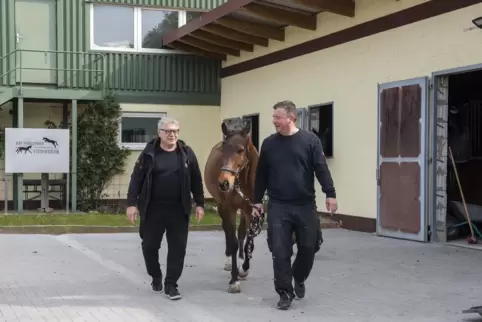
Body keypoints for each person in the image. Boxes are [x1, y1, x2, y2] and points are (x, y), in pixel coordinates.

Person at [252, 100, 338, 310]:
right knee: (280, 250)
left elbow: (321, 168)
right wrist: (256, 201)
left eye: (277, 117)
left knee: (310, 246)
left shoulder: (310, 141)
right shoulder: (269, 144)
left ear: (290, 117)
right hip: (278, 205)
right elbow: (261, 174)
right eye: (273, 117)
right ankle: (284, 292)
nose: (274, 121)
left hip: (305, 204)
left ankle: (298, 277)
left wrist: (330, 193)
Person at [126, 116, 205, 300]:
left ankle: (171, 284)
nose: (172, 134)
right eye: (168, 131)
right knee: (149, 246)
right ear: (159, 132)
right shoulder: (148, 153)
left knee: (178, 249)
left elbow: (196, 179)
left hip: (179, 209)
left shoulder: (186, 153)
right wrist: (131, 204)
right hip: (153, 209)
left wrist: (200, 203)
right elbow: (136, 178)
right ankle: (156, 275)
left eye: (175, 131)